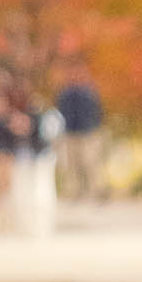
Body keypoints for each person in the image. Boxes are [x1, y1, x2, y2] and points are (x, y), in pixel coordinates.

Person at [55, 62, 108, 201]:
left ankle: (96, 191)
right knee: (71, 165)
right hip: (70, 133)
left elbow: (98, 113)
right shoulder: (65, 94)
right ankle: (73, 192)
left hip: (88, 133)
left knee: (91, 163)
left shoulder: (89, 93)